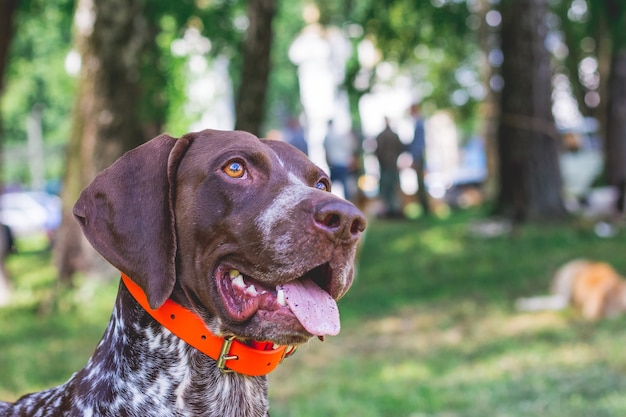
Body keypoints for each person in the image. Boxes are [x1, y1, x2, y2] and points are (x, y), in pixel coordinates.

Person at [375, 117, 405, 218]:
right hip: (393, 165)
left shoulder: (380, 136)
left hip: (385, 166)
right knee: (394, 187)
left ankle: (388, 210)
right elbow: (401, 148)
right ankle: (395, 209)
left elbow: (378, 151)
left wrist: (382, 161)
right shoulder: (394, 135)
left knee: (386, 189)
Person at [323, 119, 355, 200]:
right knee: (344, 185)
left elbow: (327, 152)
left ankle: (329, 201)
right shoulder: (340, 135)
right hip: (342, 163)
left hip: (334, 163)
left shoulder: (327, 137)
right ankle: (348, 202)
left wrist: (328, 163)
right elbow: (348, 148)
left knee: (330, 185)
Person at [409, 103, 430, 216]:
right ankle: (425, 208)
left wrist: (415, 158)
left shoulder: (419, 123)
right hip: (419, 156)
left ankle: (425, 209)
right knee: (420, 182)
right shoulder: (418, 122)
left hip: (419, 156)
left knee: (421, 183)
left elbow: (418, 143)